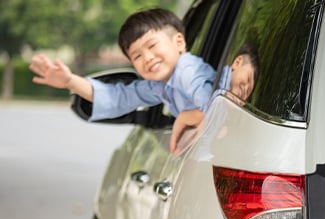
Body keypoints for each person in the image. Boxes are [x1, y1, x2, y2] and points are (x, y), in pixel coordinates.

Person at [28, 7, 215, 154]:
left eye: (152, 45)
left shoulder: (188, 72)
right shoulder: (160, 85)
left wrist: (186, 117)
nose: (148, 58)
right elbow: (119, 96)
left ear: (179, 43)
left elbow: (217, 114)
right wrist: (70, 81)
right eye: (137, 56)